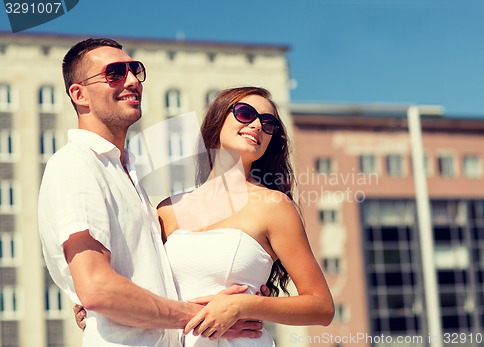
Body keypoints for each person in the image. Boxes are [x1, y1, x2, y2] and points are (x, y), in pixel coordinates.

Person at [38, 38, 264, 347]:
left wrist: (239, 295)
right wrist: (202, 317)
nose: (132, 81)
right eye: (114, 73)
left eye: (135, 70)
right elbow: (97, 288)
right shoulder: (75, 164)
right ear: (79, 94)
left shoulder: (125, 172)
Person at [156, 86, 335, 346]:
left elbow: (322, 306)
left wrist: (243, 305)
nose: (257, 125)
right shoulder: (167, 210)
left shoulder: (274, 206)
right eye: (244, 113)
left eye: (268, 123)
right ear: (217, 121)